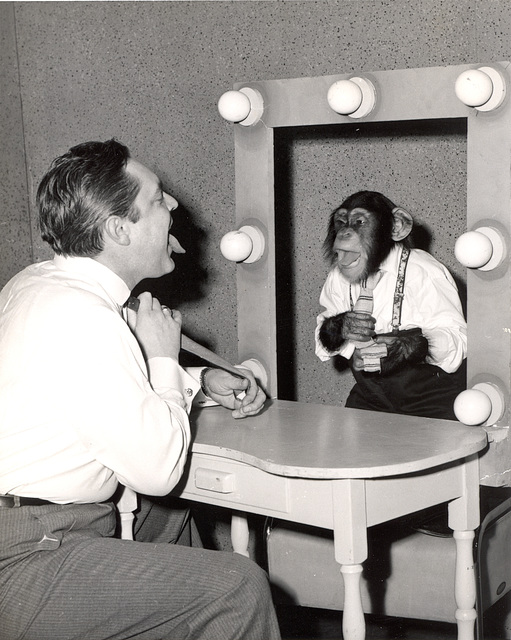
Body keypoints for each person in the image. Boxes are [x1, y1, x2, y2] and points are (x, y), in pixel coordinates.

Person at [0, 139, 280, 640]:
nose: (173, 206)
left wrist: (198, 382)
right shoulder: (83, 316)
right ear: (117, 230)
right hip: (25, 556)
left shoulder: (41, 284)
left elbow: (97, 389)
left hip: (29, 528)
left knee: (165, 519)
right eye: (157, 199)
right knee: (235, 587)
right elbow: (158, 469)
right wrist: (164, 358)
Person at [315, 190, 467, 420]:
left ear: (395, 227)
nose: (346, 232)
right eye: (341, 222)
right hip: (371, 395)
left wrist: (409, 347)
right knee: (345, 449)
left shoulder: (422, 269)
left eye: (359, 222)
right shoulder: (339, 276)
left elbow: (459, 339)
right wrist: (341, 330)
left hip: (429, 397)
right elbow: (322, 336)